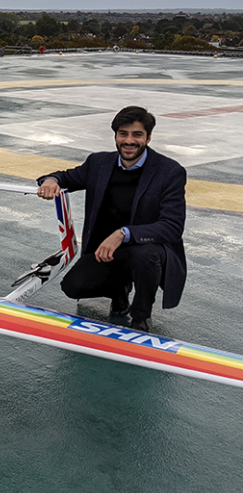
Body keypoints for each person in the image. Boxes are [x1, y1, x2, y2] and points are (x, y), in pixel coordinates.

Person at [36, 106, 186, 331]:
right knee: (73, 286)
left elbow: (172, 227)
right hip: (104, 250)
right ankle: (120, 291)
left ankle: (141, 314)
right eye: (123, 134)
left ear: (148, 137)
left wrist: (123, 234)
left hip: (144, 249)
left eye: (137, 134)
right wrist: (50, 180)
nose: (129, 140)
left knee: (145, 254)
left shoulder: (169, 171)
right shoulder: (98, 164)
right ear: (115, 136)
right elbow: (67, 176)